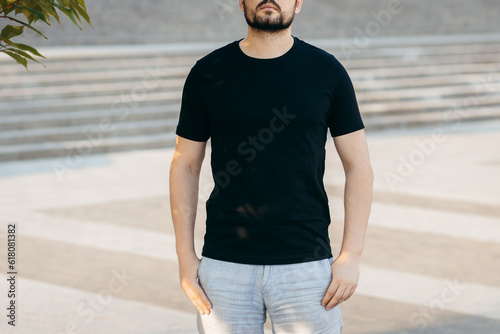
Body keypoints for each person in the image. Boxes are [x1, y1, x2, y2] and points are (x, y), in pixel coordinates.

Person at [169, 0, 374, 332]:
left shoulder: (327, 71)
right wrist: (184, 256)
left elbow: (359, 166)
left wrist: (351, 255)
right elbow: (185, 164)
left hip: (306, 266)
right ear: (241, 2)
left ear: (298, 3)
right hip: (225, 266)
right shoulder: (208, 73)